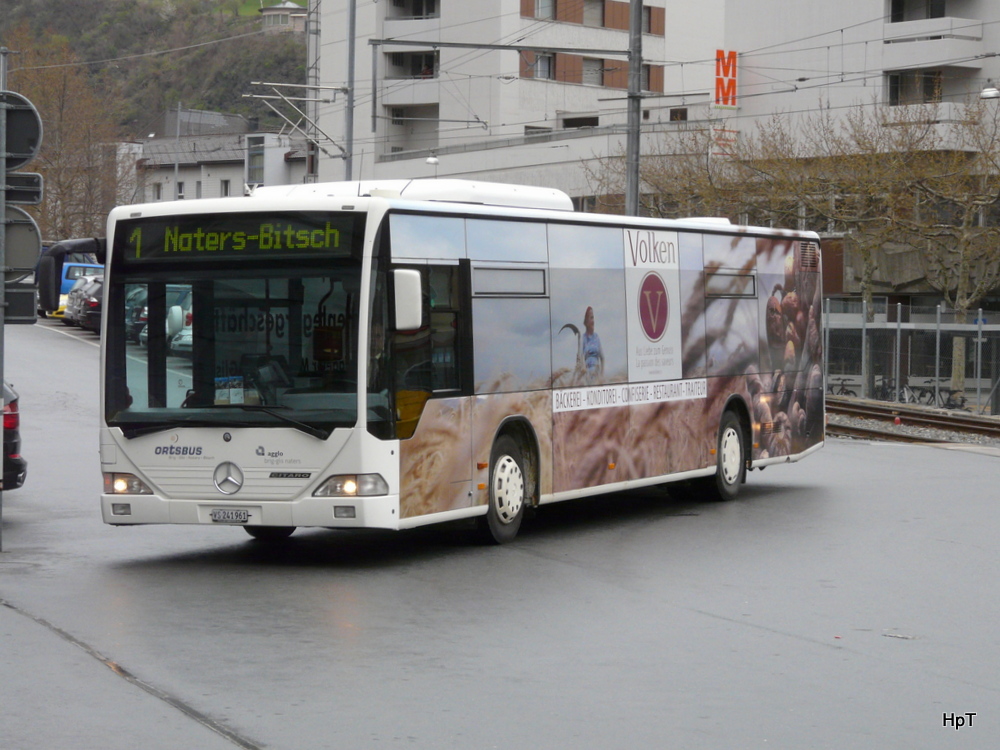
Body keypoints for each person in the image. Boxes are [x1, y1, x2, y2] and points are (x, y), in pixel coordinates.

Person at [581, 306, 604, 381]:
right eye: (591, 318)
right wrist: (584, 368)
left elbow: (602, 357)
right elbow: (581, 356)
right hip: (587, 375)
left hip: (596, 373)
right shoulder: (584, 338)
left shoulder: (596, 337)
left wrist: (601, 374)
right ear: (586, 321)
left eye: (593, 318)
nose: (593, 321)